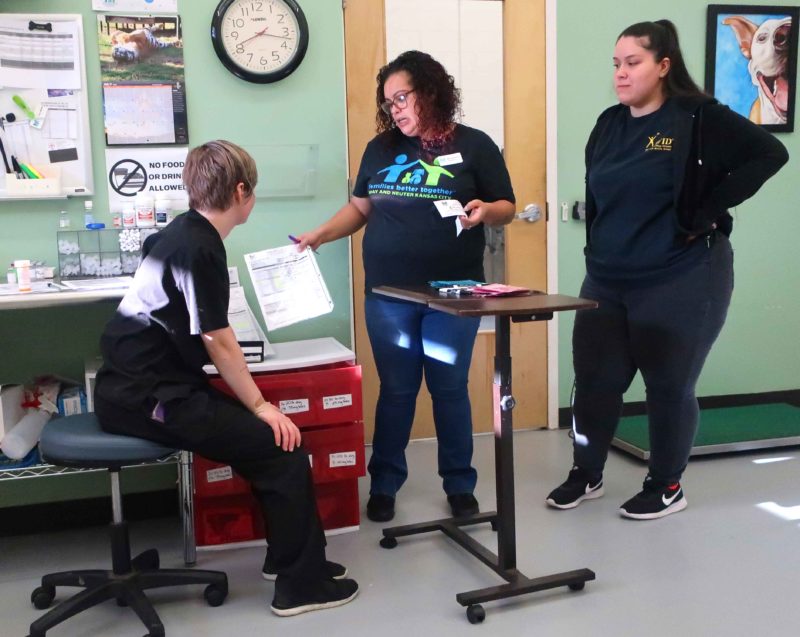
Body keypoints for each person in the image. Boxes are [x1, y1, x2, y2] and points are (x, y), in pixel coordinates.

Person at [93, 141, 358, 615]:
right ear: (241, 191)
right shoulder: (200, 248)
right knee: (283, 446)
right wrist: (260, 405)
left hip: (135, 389)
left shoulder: (183, 233)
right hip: (149, 397)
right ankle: (302, 586)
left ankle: (289, 560)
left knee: (265, 444)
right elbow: (217, 339)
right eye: (252, 190)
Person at [546, 20, 788, 520]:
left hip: (682, 274)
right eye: (616, 63)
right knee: (595, 380)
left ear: (663, 66)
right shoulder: (610, 124)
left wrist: (707, 210)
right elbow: (601, 195)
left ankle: (666, 484)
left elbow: (770, 153)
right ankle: (586, 472)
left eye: (633, 62)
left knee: (668, 385)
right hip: (609, 277)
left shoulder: (698, 118)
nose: (621, 73)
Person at [295, 51, 516, 522]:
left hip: (453, 292)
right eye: (389, 102)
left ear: (431, 92)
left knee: (449, 387)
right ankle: (385, 484)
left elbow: (507, 206)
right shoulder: (381, 149)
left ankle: (459, 483)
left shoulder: (476, 146)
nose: (395, 108)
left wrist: (485, 210)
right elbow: (360, 210)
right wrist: (319, 235)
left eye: (402, 97)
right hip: (389, 294)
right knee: (396, 390)